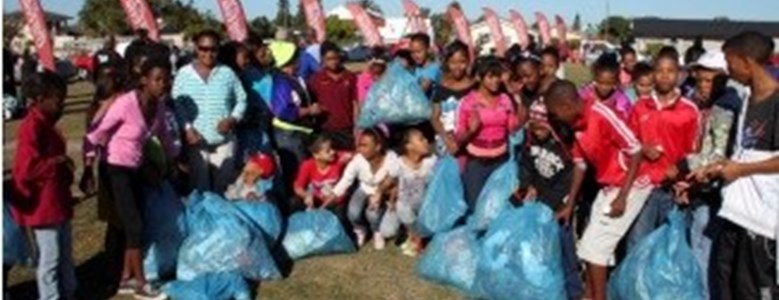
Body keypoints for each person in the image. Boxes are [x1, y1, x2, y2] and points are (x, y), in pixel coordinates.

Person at [545, 80, 651, 300]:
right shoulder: (575, 125)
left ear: (566, 106)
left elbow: (636, 149)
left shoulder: (602, 114)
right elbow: (580, 164)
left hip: (630, 185)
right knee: (589, 248)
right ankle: (589, 295)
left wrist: (622, 197)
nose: (554, 118)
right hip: (608, 186)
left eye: (555, 113)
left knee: (596, 249)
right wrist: (570, 204)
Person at [82, 57, 175, 299]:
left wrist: (176, 160)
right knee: (134, 225)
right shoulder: (125, 103)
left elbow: (164, 138)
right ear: (144, 80)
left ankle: (125, 278)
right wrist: (88, 167)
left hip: (137, 169)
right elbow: (95, 133)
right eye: (158, 80)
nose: (163, 84)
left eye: (167, 80)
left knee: (133, 225)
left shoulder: (159, 106)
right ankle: (140, 283)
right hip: (115, 169)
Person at [707, 31, 779, 299]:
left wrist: (740, 170)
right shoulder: (747, 99)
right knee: (726, 282)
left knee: (753, 288)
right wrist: (723, 166)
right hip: (736, 211)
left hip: (761, 222)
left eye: (730, 61)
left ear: (747, 62)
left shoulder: (776, 102)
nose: (728, 69)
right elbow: (746, 152)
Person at [668, 51, 742, 299]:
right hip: (703, 187)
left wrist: (681, 165)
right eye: (699, 80)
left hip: (714, 192)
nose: (702, 85)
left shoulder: (726, 106)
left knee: (704, 250)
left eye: (709, 80)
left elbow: (716, 156)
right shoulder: (709, 104)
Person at [10, 71, 77, 300]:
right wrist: (56, 163)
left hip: (57, 201)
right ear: (40, 99)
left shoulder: (47, 123)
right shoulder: (32, 126)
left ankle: (69, 291)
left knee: (65, 252)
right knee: (50, 257)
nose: (62, 104)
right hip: (43, 206)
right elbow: (25, 169)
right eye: (58, 99)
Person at [625, 50, 700, 250]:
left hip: (674, 190)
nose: (665, 75)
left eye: (670, 71)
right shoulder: (640, 106)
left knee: (671, 249)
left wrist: (685, 182)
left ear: (680, 74)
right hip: (643, 188)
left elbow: (694, 152)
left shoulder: (689, 110)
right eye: (659, 70)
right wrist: (643, 148)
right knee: (638, 245)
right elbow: (627, 142)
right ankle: (637, 282)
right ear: (652, 74)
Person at [516, 101, 583, 300]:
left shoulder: (564, 147)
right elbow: (526, 165)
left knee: (564, 247)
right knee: (539, 246)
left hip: (559, 205)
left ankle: (574, 290)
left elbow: (568, 179)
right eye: (533, 128)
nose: (537, 132)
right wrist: (526, 184)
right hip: (537, 202)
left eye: (541, 128)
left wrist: (552, 202)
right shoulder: (530, 142)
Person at [173, 30, 247, 193]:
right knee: (200, 191)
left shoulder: (227, 73)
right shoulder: (183, 74)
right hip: (197, 144)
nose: (208, 53)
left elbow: (242, 99)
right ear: (196, 49)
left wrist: (233, 119)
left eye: (213, 49)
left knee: (225, 190)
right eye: (203, 49)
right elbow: (177, 105)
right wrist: (187, 128)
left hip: (224, 143)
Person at [79, 62, 128, 295]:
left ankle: (122, 270)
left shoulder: (120, 103)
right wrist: (88, 169)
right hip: (113, 171)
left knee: (125, 225)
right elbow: (90, 141)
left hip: (125, 168)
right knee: (118, 226)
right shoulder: (102, 109)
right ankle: (114, 273)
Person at [456, 56, 520, 208]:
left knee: (499, 207)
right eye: (490, 76)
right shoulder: (467, 102)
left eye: (498, 76)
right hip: (477, 165)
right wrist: (472, 131)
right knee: (476, 207)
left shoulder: (505, 99)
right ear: (479, 77)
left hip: (500, 163)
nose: (496, 80)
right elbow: (459, 138)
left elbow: (513, 129)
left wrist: (517, 99)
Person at [326, 128, 396, 250]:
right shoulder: (358, 160)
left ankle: (377, 231)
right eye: (359, 145)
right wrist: (324, 205)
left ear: (378, 147)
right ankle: (360, 229)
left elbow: (394, 177)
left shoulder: (391, 158)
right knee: (353, 212)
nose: (359, 149)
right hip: (364, 188)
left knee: (372, 214)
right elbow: (344, 182)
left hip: (385, 192)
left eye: (364, 145)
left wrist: (380, 192)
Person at [377, 128, 437, 257]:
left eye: (425, 138)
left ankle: (418, 238)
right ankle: (412, 234)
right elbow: (388, 181)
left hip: (425, 206)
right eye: (421, 139)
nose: (426, 141)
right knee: (388, 231)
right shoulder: (398, 163)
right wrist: (378, 193)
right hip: (405, 205)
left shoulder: (431, 161)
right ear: (409, 146)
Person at [307, 41, 358, 151]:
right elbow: (311, 103)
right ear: (322, 59)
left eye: (335, 58)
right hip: (326, 130)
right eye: (329, 59)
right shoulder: (315, 79)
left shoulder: (350, 77)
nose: (333, 62)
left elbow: (355, 103)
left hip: (347, 129)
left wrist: (357, 126)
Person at [431, 41, 474, 156]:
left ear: (468, 61)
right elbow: (435, 117)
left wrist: (461, 140)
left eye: (462, 62)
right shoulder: (441, 86)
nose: (457, 67)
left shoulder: (474, 87)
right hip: (446, 144)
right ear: (447, 63)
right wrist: (447, 140)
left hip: (471, 143)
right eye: (452, 62)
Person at [580, 53, 632, 120]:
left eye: (609, 83)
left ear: (615, 81)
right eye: (601, 82)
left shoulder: (621, 100)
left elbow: (625, 121)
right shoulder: (584, 94)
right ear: (595, 78)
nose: (604, 87)